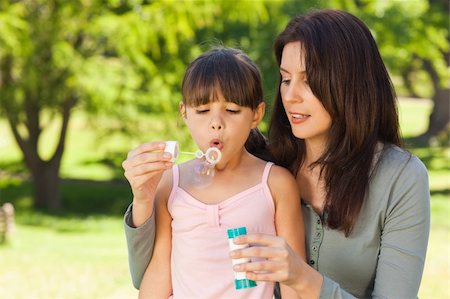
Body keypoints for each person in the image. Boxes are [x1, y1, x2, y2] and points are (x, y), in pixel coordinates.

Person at [123, 9, 430, 299]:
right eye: (285, 79)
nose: (290, 96)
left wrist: (304, 278)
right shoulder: (265, 161)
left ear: (350, 85)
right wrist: (144, 201)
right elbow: (157, 273)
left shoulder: (399, 177)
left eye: (308, 81)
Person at [122, 47, 304, 299]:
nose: (216, 123)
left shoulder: (275, 184)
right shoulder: (170, 183)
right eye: (202, 110)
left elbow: (293, 280)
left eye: (231, 110)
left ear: (256, 114)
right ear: (185, 113)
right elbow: (160, 270)